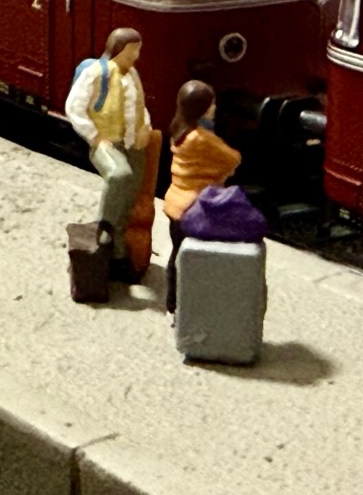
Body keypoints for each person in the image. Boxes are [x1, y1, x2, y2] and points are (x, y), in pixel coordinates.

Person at [65, 28, 152, 279]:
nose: (137, 55)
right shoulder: (95, 73)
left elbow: (140, 106)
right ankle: (103, 229)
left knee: (128, 198)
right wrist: (95, 137)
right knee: (119, 175)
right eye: (133, 50)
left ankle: (118, 253)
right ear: (120, 50)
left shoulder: (132, 74)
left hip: (132, 143)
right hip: (106, 143)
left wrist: (145, 126)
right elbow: (74, 107)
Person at [162, 80, 241, 313]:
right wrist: (219, 173)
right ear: (202, 108)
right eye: (211, 104)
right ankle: (191, 307)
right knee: (197, 259)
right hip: (195, 208)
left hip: (175, 203)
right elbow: (233, 158)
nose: (214, 107)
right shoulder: (201, 137)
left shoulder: (179, 129)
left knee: (177, 254)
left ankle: (172, 303)